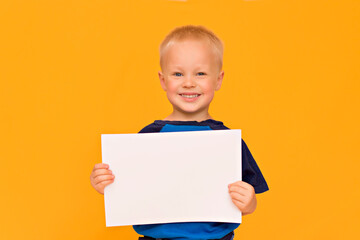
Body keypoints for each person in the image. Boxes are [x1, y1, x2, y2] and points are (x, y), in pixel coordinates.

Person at [90, 25, 269, 240]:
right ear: (163, 81)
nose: (189, 83)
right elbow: (127, 190)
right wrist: (104, 184)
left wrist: (249, 203)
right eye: (178, 73)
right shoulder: (147, 138)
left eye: (200, 73)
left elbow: (249, 200)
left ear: (218, 80)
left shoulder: (227, 141)